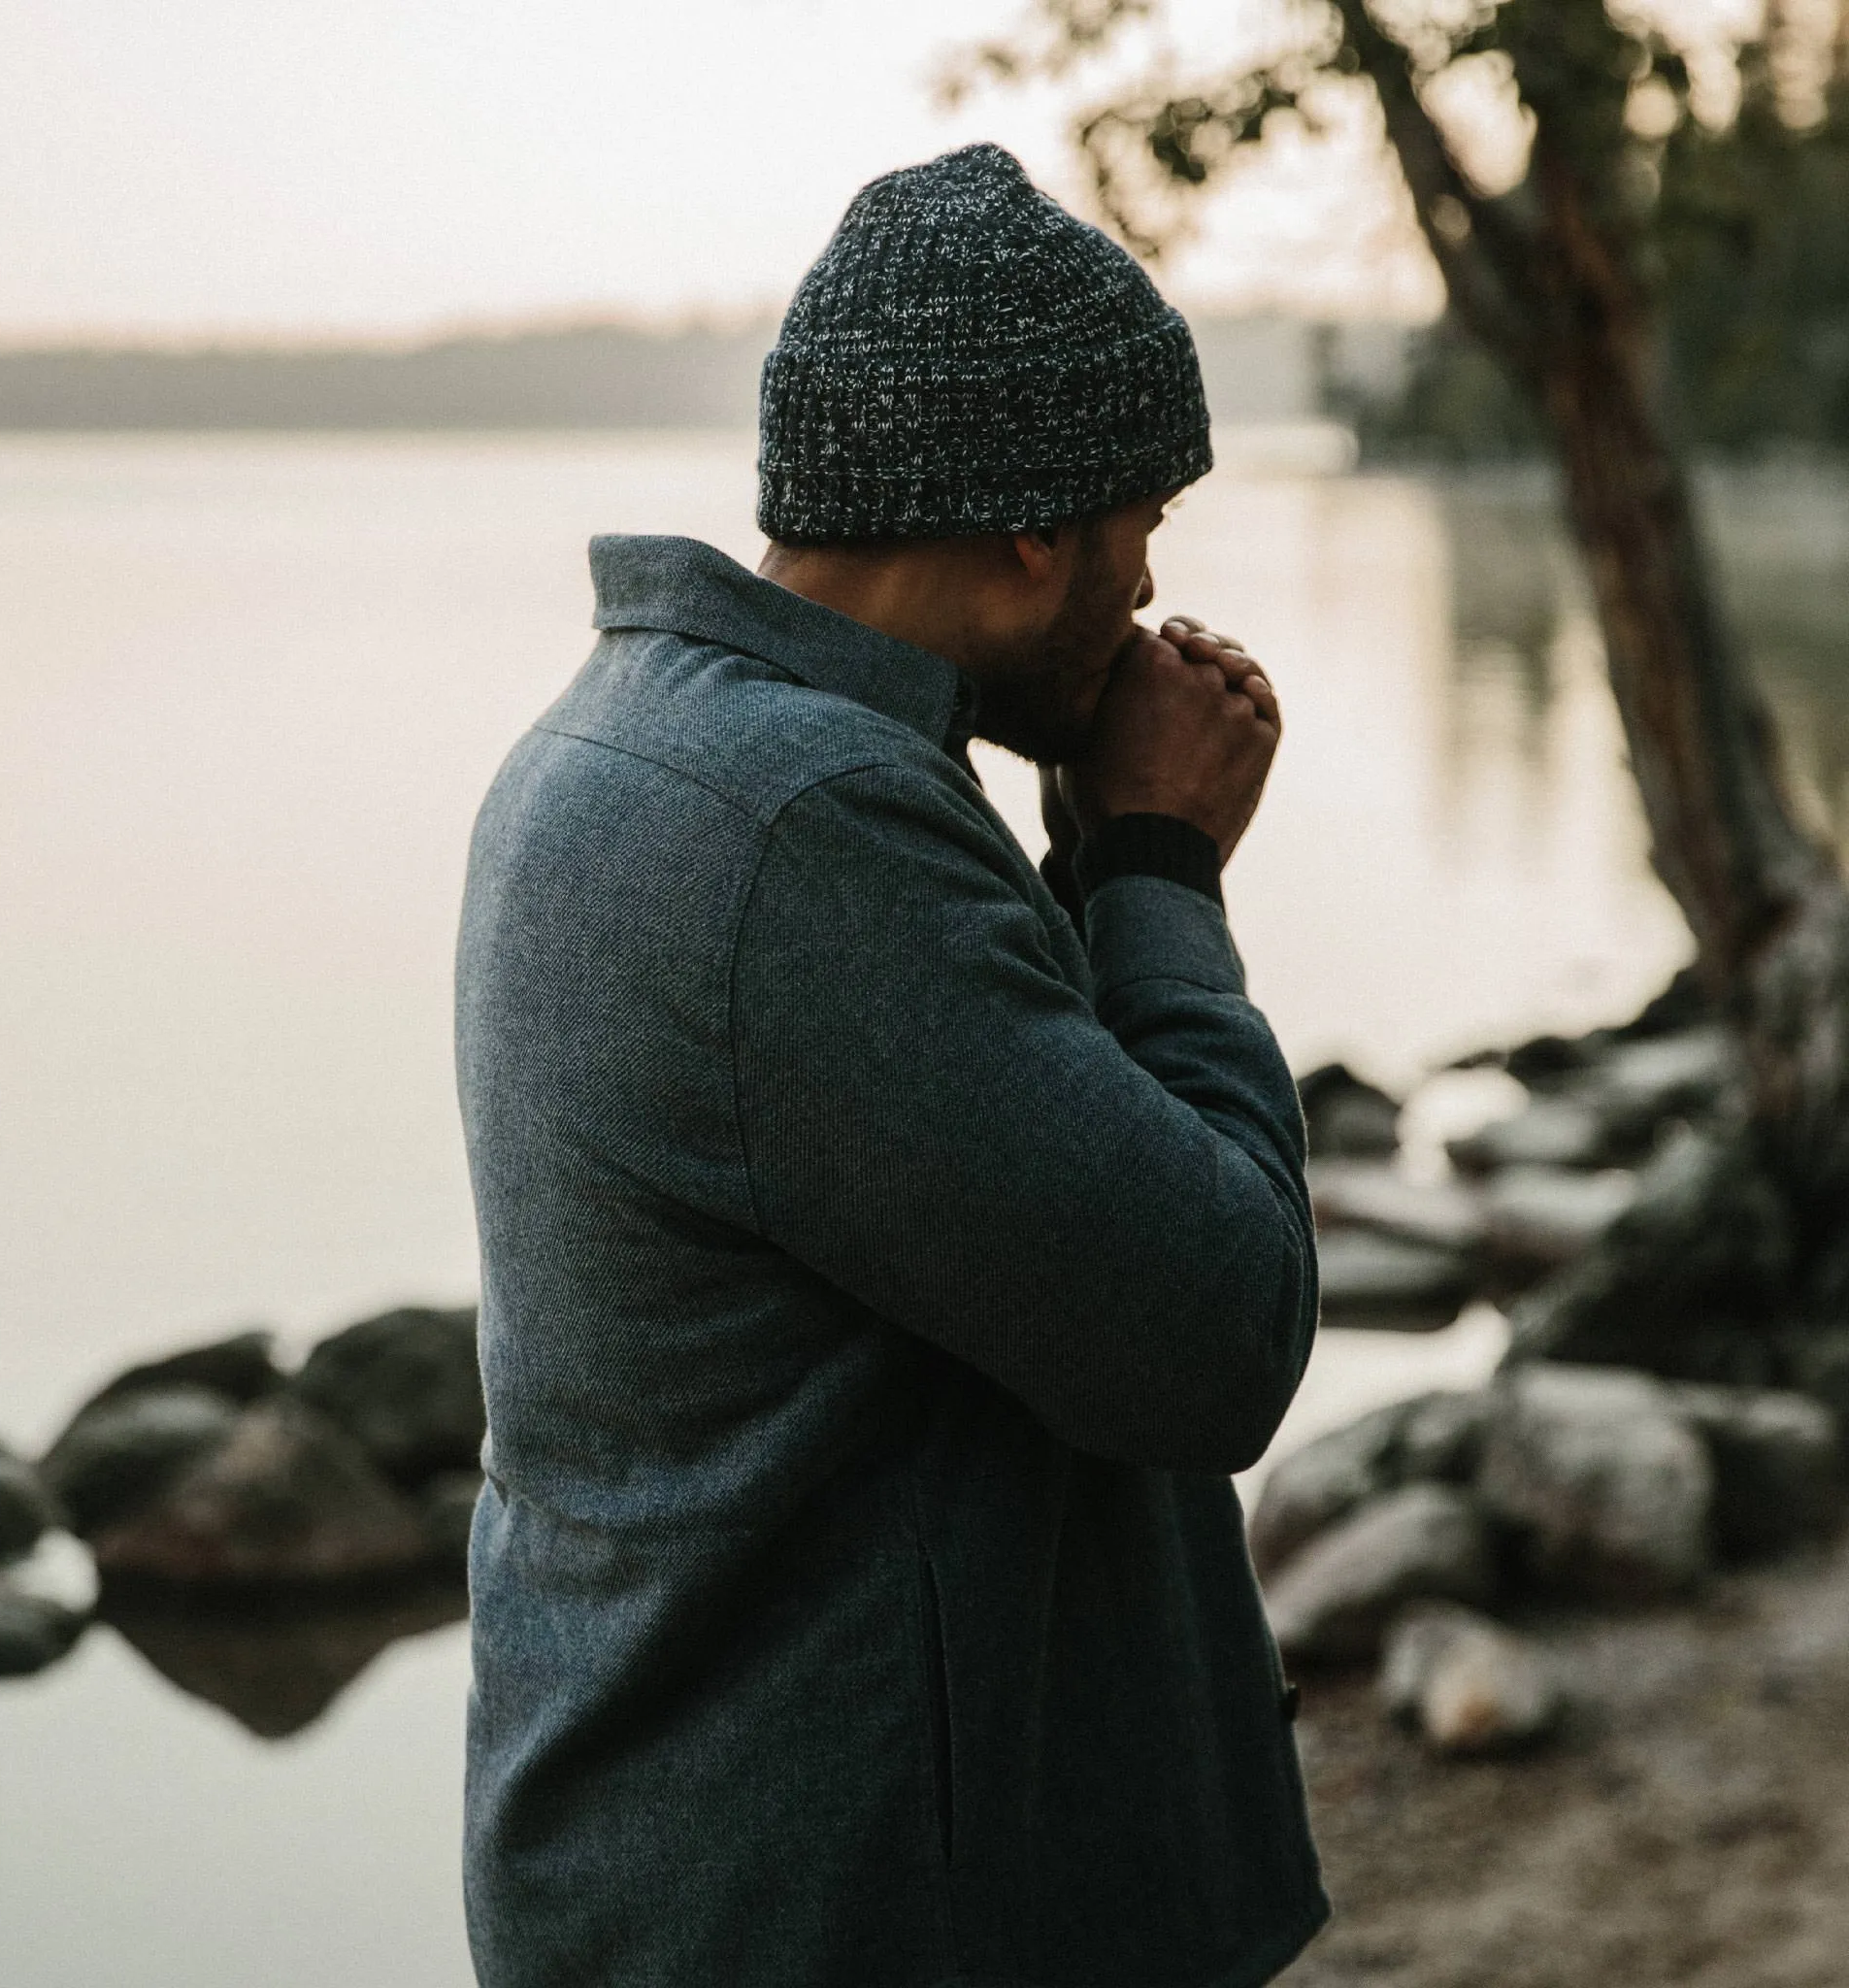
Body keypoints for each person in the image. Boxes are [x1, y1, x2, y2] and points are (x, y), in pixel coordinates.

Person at [455, 142, 1326, 1988]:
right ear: (1028, 532)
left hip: (707, 1863)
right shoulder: (811, 830)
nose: (1154, 585)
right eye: (1139, 528)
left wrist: (1085, 857)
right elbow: (1212, 1330)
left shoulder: (628, 743)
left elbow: (996, 1210)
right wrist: (1160, 865)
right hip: (852, 1912)